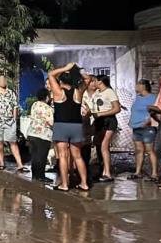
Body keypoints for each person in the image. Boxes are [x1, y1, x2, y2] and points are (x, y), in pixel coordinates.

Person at [47, 63, 90, 191]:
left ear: (60, 81)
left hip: (61, 126)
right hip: (76, 126)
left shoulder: (58, 92)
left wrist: (65, 68)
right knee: (77, 156)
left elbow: (50, 74)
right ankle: (84, 183)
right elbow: (88, 79)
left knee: (63, 156)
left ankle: (65, 184)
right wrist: (76, 70)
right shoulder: (78, 92)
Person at [0, 74, 26, 172]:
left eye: (4, 79)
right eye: (1, 80)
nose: (3, 81)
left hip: (9, 122)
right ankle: (1, 163)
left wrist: (14, 119)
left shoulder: (11, 93)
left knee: (13, 142)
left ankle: (20, 164)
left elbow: (15, 106)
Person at [91, 75, 121, 182]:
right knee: (100, 146)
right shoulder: (97, 93)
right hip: (99, 121)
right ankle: (103, 171)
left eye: (94, 81)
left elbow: (117, 108)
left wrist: (102, 114)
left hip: (108, 121)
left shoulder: (109, 92)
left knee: (104, 146)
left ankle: (108, 173)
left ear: (100, 82)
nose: (93, 83)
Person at [128, 79, 159, 181]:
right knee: (139, 150)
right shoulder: (138, 97)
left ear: (143, 86)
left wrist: (149, 120)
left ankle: (154, 173)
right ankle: (138, 172)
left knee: (150, 150)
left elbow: (157, 110)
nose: (136, 86)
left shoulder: (153, 98)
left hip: (147, 128)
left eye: (138, 84)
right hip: (136, 128)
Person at [25, 88, 54, 182]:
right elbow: (51, 122)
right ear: (46, 97)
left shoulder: (34, 104)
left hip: (32, 133)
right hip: (43, 135)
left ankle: (35, 175)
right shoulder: (48, 108)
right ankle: (41, 176)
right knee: (42, 156)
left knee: (34, 157)